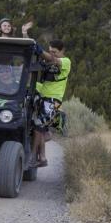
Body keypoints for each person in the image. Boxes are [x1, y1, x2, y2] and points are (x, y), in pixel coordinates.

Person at [30, 37, 70, 168]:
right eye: (50, 51)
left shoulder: (65, 61)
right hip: (44, 95)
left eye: (55, 51)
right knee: (39, 128)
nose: (52, 54)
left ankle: (33, 156)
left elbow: (53, 60)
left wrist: (41, 51)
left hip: (54, 99)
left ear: (62, 51)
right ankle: (42, 157)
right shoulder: (48, 61)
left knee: (38, 126)